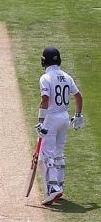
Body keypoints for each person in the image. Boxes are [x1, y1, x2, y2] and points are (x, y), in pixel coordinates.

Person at [33, 47, 85, 206]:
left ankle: (53, 188)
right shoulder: (67, 77)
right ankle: (59, 186)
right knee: (58, 153)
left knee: (45, 156)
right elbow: (78, 96)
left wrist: (41, 121)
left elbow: (45, 99)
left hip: (51, 119)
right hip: (63, 118)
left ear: (44, 61)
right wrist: (77, 116)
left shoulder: (45, 77)